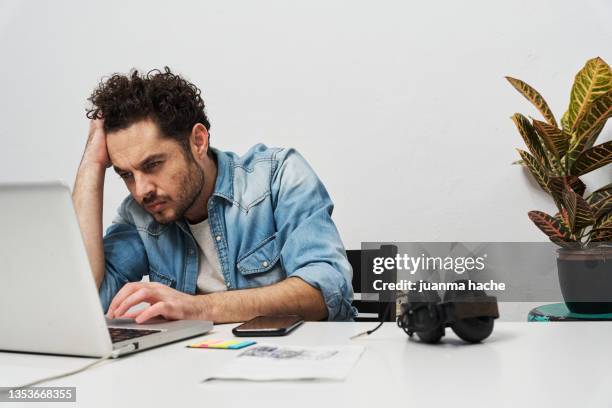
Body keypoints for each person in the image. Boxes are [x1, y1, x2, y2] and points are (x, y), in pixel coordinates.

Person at [72, 67, 356, 324]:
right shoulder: (139, 215)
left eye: (153, 165)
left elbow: (328, 288)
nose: (141, 189)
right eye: (126, 175)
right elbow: (85, 301)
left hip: (297, 365)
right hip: (197, 370)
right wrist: (91, 165)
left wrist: (197, 308)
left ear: (198, 141)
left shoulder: (278, 176)